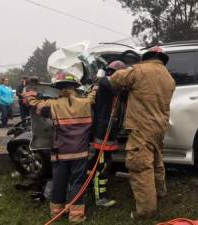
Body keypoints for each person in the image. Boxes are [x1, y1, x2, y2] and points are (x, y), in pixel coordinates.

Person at [102, 46, 175, 219]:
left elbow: (114, 80)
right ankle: (159, 193)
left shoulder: (139, 70)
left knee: (140, 167)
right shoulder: (168, 77)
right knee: (157, 162)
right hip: (158, 127)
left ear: (146, 57)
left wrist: (102, 76)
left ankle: (146, 211)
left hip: (141, 127)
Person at [25, 72, 95, 223]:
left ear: (58, 88)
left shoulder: (52, 105)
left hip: (60, 153)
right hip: (80, 152)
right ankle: (76, 216)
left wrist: (31, 89)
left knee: (59, 182)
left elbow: (34, 104)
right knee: (77, 182)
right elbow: (94, 95)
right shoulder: (86, 103)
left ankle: (56, 212)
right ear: (75, 88)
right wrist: (97, 84)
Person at [91, 60, 127, 208]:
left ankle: (87, 181)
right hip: (103, 131)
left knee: (100, 161)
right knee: (102, 165)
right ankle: (100, 197)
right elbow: (109, 84)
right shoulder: (105, 83)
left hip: (109, 131)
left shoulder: (115, 88)